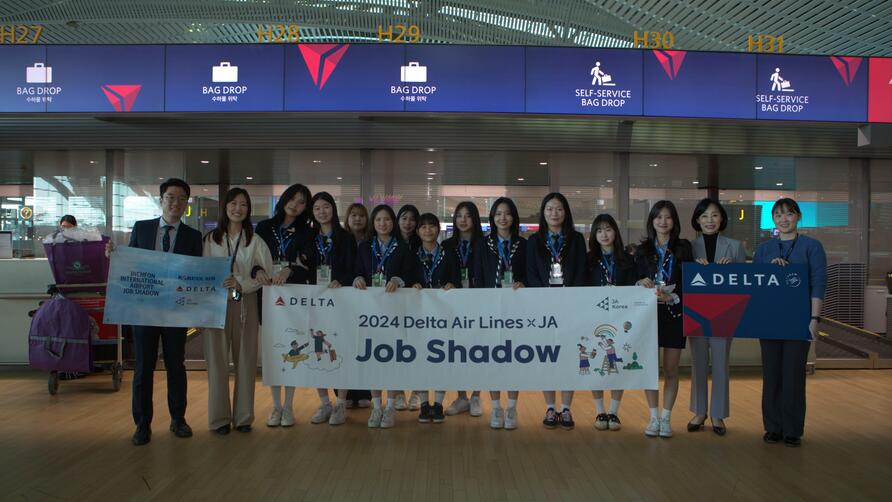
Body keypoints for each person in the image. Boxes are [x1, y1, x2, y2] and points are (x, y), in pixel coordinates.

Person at [113, 178, 203, 446]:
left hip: (176, 313)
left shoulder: (193, 236)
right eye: (170, 197)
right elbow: (131, 264)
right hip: (144, 311)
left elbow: (196, 273)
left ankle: (178, 419)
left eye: (181, 198)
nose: (175, 203)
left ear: (187, 204)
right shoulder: (142, 228)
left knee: (176, 365)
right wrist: (114, 255)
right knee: (143, 367)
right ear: (161, 200)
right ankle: (142, 424)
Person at [753, 198, 826, 448]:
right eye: (778, 215)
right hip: (770, 319)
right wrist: (771, 271)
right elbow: (755, 284)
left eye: (789, 214)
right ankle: (772, 427)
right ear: (773, 219)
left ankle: (792, 429)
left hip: (799, 320)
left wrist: (814, 319)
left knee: (793, 375)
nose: (784, 219)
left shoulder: (812, 247)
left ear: (798, 217)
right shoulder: (763, 250)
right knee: (771, 374)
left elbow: (818, 284)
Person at [202, 188, 273, 435]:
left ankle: (243, 417)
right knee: (217, 362)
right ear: (225, 207)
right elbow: (200, 272)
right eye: (233, 203)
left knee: (246, 360)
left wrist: (242, 283)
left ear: (248, 210)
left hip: (245, 303)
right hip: (215, 306)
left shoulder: (255, 240)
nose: (237, 209)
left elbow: (267, 273)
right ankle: (219, 419)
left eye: (243, 205)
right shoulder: (211, 239)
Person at [253, 183, 313, 428]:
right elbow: (252, 259)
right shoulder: (265, 227)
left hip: (292, 300)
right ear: (284, 199)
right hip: (266, 296)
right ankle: (275, 406)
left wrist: (291, 269)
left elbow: (310, 268)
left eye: (301, 203)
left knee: (292, 350)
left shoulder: (307, 232)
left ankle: (288, 405)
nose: (295, 205)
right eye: (292, 199)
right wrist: (257, 270)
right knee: (272, 350)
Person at [526, 193, 587, 430]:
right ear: (543, 213)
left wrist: (572, 298)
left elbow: (582, 270)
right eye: (550, 209)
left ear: (566, 212)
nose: (554, 213)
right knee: (548, 357)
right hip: (544, 308)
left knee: (570, 357)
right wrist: (543, 298)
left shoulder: (577, 240)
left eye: (559, 209)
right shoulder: (534, 241)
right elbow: (531, 272)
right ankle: (550, 407)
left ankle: (567, 407)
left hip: (570, 307)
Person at [687, 198, 747, 436]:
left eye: (714, 215)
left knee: (721, 365)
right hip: (697, 313)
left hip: (725, 313)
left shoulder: (734, 246)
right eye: (704, 216)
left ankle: (718, 415)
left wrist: (731, 268)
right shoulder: (689, 247)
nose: (709, 220)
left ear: (722, 219)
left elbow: (744, 281)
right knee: (698, 364)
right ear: (697, 220)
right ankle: (699, 412)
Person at [354, 204, 416, 429]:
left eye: (387, 219)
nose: (383, 223)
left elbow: (411, 274)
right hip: (369, 313)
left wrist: (399, 280)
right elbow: (356, 270)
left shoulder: (403, 248)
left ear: (393, 222)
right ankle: (377, 406)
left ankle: (390, 406)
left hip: (394, 313)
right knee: (371, 359)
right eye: (379, 219)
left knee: (391, 359)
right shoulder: (364, 247)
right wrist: (358, 278)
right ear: (373, 223)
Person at [635, 200, 693, 439]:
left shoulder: (684, 247)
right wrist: (640, 282)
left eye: (668, 217)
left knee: (670, 369)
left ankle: (666, 417)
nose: (663, 221)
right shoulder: (643, 249)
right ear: (652, 221)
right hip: (648, 315)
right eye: (658, 217)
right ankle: (653, 416)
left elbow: (690, 280)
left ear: (674, 222)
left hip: (674, 313)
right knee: (649, 369)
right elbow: (634, 280)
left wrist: (674, 294)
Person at [474, 197, 526, 430]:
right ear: (492, 219)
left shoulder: (524, 245)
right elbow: (477, 276)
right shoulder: (482, 245)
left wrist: (524, 283)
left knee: (514, 358)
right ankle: (496, 406)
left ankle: (512, 407)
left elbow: (530, 274)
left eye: (507, 213)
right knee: (491, 358)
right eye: (498, 214)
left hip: (516, 310)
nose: (502, 218)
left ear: (514, 217)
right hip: (489, 309)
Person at [305, 192, 356, 426]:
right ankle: (324, 402)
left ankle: (341, 403)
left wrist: (341, 280)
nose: (322, 211)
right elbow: (301, 266)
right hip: (315, 302)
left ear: (333, 210)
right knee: (318, 351)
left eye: (326, 207)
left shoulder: (345, 238)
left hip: (340, 301)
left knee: (340, 350)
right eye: (317, 208)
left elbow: (353, 267)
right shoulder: (308, 236)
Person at [586, 214, 637, 432]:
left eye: (608, 229)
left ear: (615, 232)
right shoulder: (588, 260)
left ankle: (614, 411)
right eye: (599, 230)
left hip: (620, 319)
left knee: (617, 365)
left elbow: (635, 287)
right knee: (596, 363)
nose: (604, 234)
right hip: (593, 319)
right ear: (594, 235)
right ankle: (599, 410)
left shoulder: (627, 259)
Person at [411, 213, 459, 424]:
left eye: (432, 226)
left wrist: (452, 285)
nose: (428, 230)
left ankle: (438, 403)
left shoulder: (449, 254)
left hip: (442, 315)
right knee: (419, 358)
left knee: (441, 357)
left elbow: (456, 279)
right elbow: (405, 277)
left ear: (438, 229)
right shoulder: (411, 254)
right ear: (417, 231)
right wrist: (411, 285)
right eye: (423, 227)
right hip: (418, 316)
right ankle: (423, 402)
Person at [441, 201, 486, 417]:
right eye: (459, 215)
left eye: (468, 216)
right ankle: (461, 397)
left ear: (475, 219)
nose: (463, 220)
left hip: (478, 303)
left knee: (478, 351)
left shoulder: (485, 244)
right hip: (454, 305)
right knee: (457, 350)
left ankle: (476, 395)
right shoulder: (448, 245)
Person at [341, 202, 373, 409]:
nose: (358, 219)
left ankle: (364, 392)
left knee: (366, 347)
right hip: (344, 300)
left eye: (361, 215)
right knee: (346, 346)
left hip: (368, 301)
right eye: (353, 215)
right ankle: (344, 394)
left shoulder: (372, 242)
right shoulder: (341, 239)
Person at [394, 204, 422, 412]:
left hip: (419, 302)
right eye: (404, 218)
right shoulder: (390, 243)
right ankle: (398, 392)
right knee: (397, 348)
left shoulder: (422, 243)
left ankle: (417, 392)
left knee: (418, 349)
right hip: (395, 304)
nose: (408, 223)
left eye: (412, 219)